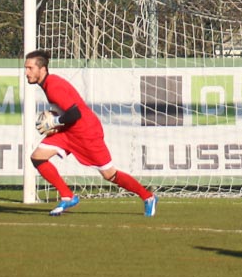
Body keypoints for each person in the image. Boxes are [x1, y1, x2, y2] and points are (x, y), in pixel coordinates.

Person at [24, 49, 157, 217]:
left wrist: (55, 121)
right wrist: (58, 121)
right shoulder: (48, 84)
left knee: (109, 174)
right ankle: (68, 196)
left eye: (30, 68)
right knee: (37, 157)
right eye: (26, 68)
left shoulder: (53, 86)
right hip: (68, 131)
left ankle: (148, 197)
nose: (26, 72)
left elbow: (75, 114)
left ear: (42, 69)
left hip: (86, 132)